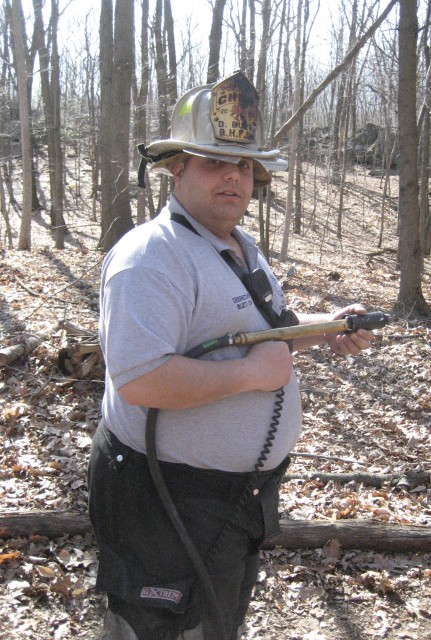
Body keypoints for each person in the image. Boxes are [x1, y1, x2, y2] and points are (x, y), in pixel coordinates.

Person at [88, 71, 374, 640]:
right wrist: (249, 375)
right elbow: (141, 379)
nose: (232, 176)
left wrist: (329, 331)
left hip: (230, 502)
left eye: (242, 165)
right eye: (213, 162)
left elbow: (261, 335)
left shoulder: (239, 246)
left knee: (215, 624)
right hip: (162, 499)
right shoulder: (152, 256)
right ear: (178, 169)